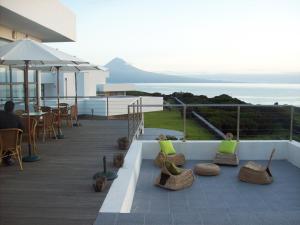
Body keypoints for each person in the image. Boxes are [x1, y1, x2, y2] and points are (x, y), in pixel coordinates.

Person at [0, 101, 24, 166]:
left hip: (1, 142)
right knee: (9, 141)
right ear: (13, 108)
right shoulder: (17, 118)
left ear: (4, 107)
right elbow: (21, 130)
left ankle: (4, 157)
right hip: (12, 143)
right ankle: (7, 158)